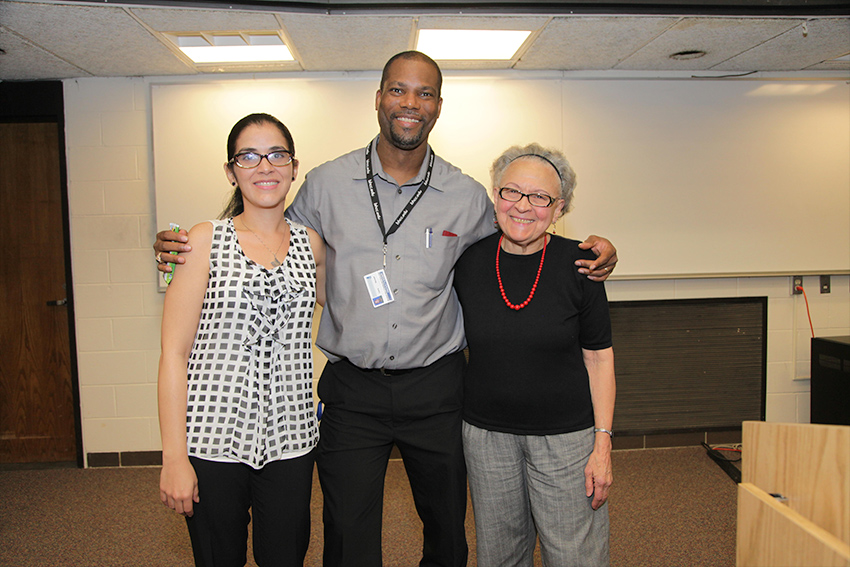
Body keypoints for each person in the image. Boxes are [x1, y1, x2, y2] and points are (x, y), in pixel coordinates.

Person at [154, 52, 618, 567]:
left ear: (438, 107)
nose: (409, 103)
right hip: (352, 392)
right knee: (347, 533)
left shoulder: (467, 197)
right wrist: (181, 245)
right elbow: (265, 225)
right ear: (378, 98)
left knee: (447, 527)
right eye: (398, 90)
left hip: (438, 388)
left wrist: (594, 249)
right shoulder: (326, 185)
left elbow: (524, 228)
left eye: (423, 93)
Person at [157, 113, 326, 567]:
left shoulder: (313, 246)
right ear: (231, 171)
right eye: (248, 156)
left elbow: (349, 315)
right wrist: (174, 458)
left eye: (277, 155)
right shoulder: (203, 241)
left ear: (293, 167)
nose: (264, 166)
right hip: (212, 441)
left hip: (291, 441)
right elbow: (173, 354)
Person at [453, 143, 615, 567]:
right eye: (512, 192)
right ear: (495, 196)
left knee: (574, 555)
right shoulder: (468, 262)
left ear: (559, 208)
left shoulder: (582, 265)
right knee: (500, 555)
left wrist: (602, 445)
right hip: (487, 438)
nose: (523, 206)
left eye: (540, 197)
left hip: (566, 439)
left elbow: (599, 360)